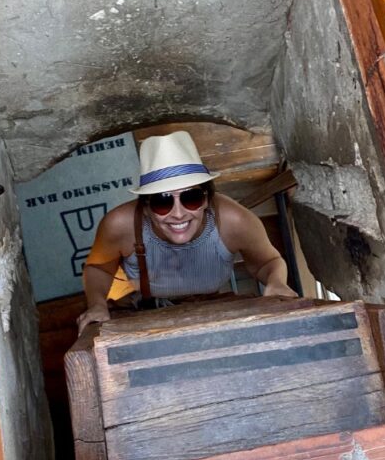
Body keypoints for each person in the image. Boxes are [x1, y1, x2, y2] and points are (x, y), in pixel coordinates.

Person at [77, 130, 298, 333]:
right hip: (144, 314)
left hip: (212, 309)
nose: (178, 214)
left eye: (190, 198)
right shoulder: (120, 225)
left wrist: (277, 282)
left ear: (207, 198)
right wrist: (97, 305)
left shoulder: (235, 221)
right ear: (145, 207)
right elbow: (98, 268)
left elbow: (267, 262)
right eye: (162, 201)